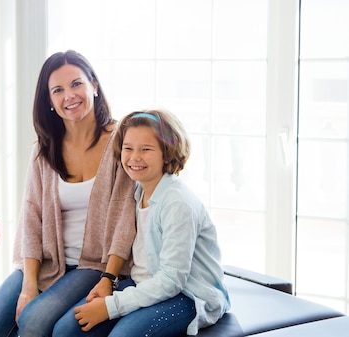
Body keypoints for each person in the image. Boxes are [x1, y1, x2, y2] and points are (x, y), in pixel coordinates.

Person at [0, 50, 137, 337]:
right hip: (49, 262)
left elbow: (126, 218)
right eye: (57, 90)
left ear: (94, 86)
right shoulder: (43, 151)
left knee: (34, 322)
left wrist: (109, 278)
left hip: (95, 266)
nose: (69, 96)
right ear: (49, 100)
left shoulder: (121, 143)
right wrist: (28, 285)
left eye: (76, 84)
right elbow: (31, 219)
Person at [53, 109, 230, 337]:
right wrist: (109, 284)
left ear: (167, 153)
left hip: (187, 296)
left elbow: (171, 281)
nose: (134, 157)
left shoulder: (177, 203)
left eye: (146, 149)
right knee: (66, 330)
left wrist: (110, 307)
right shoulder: (137, 191)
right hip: (143, 285)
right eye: (128, 148)